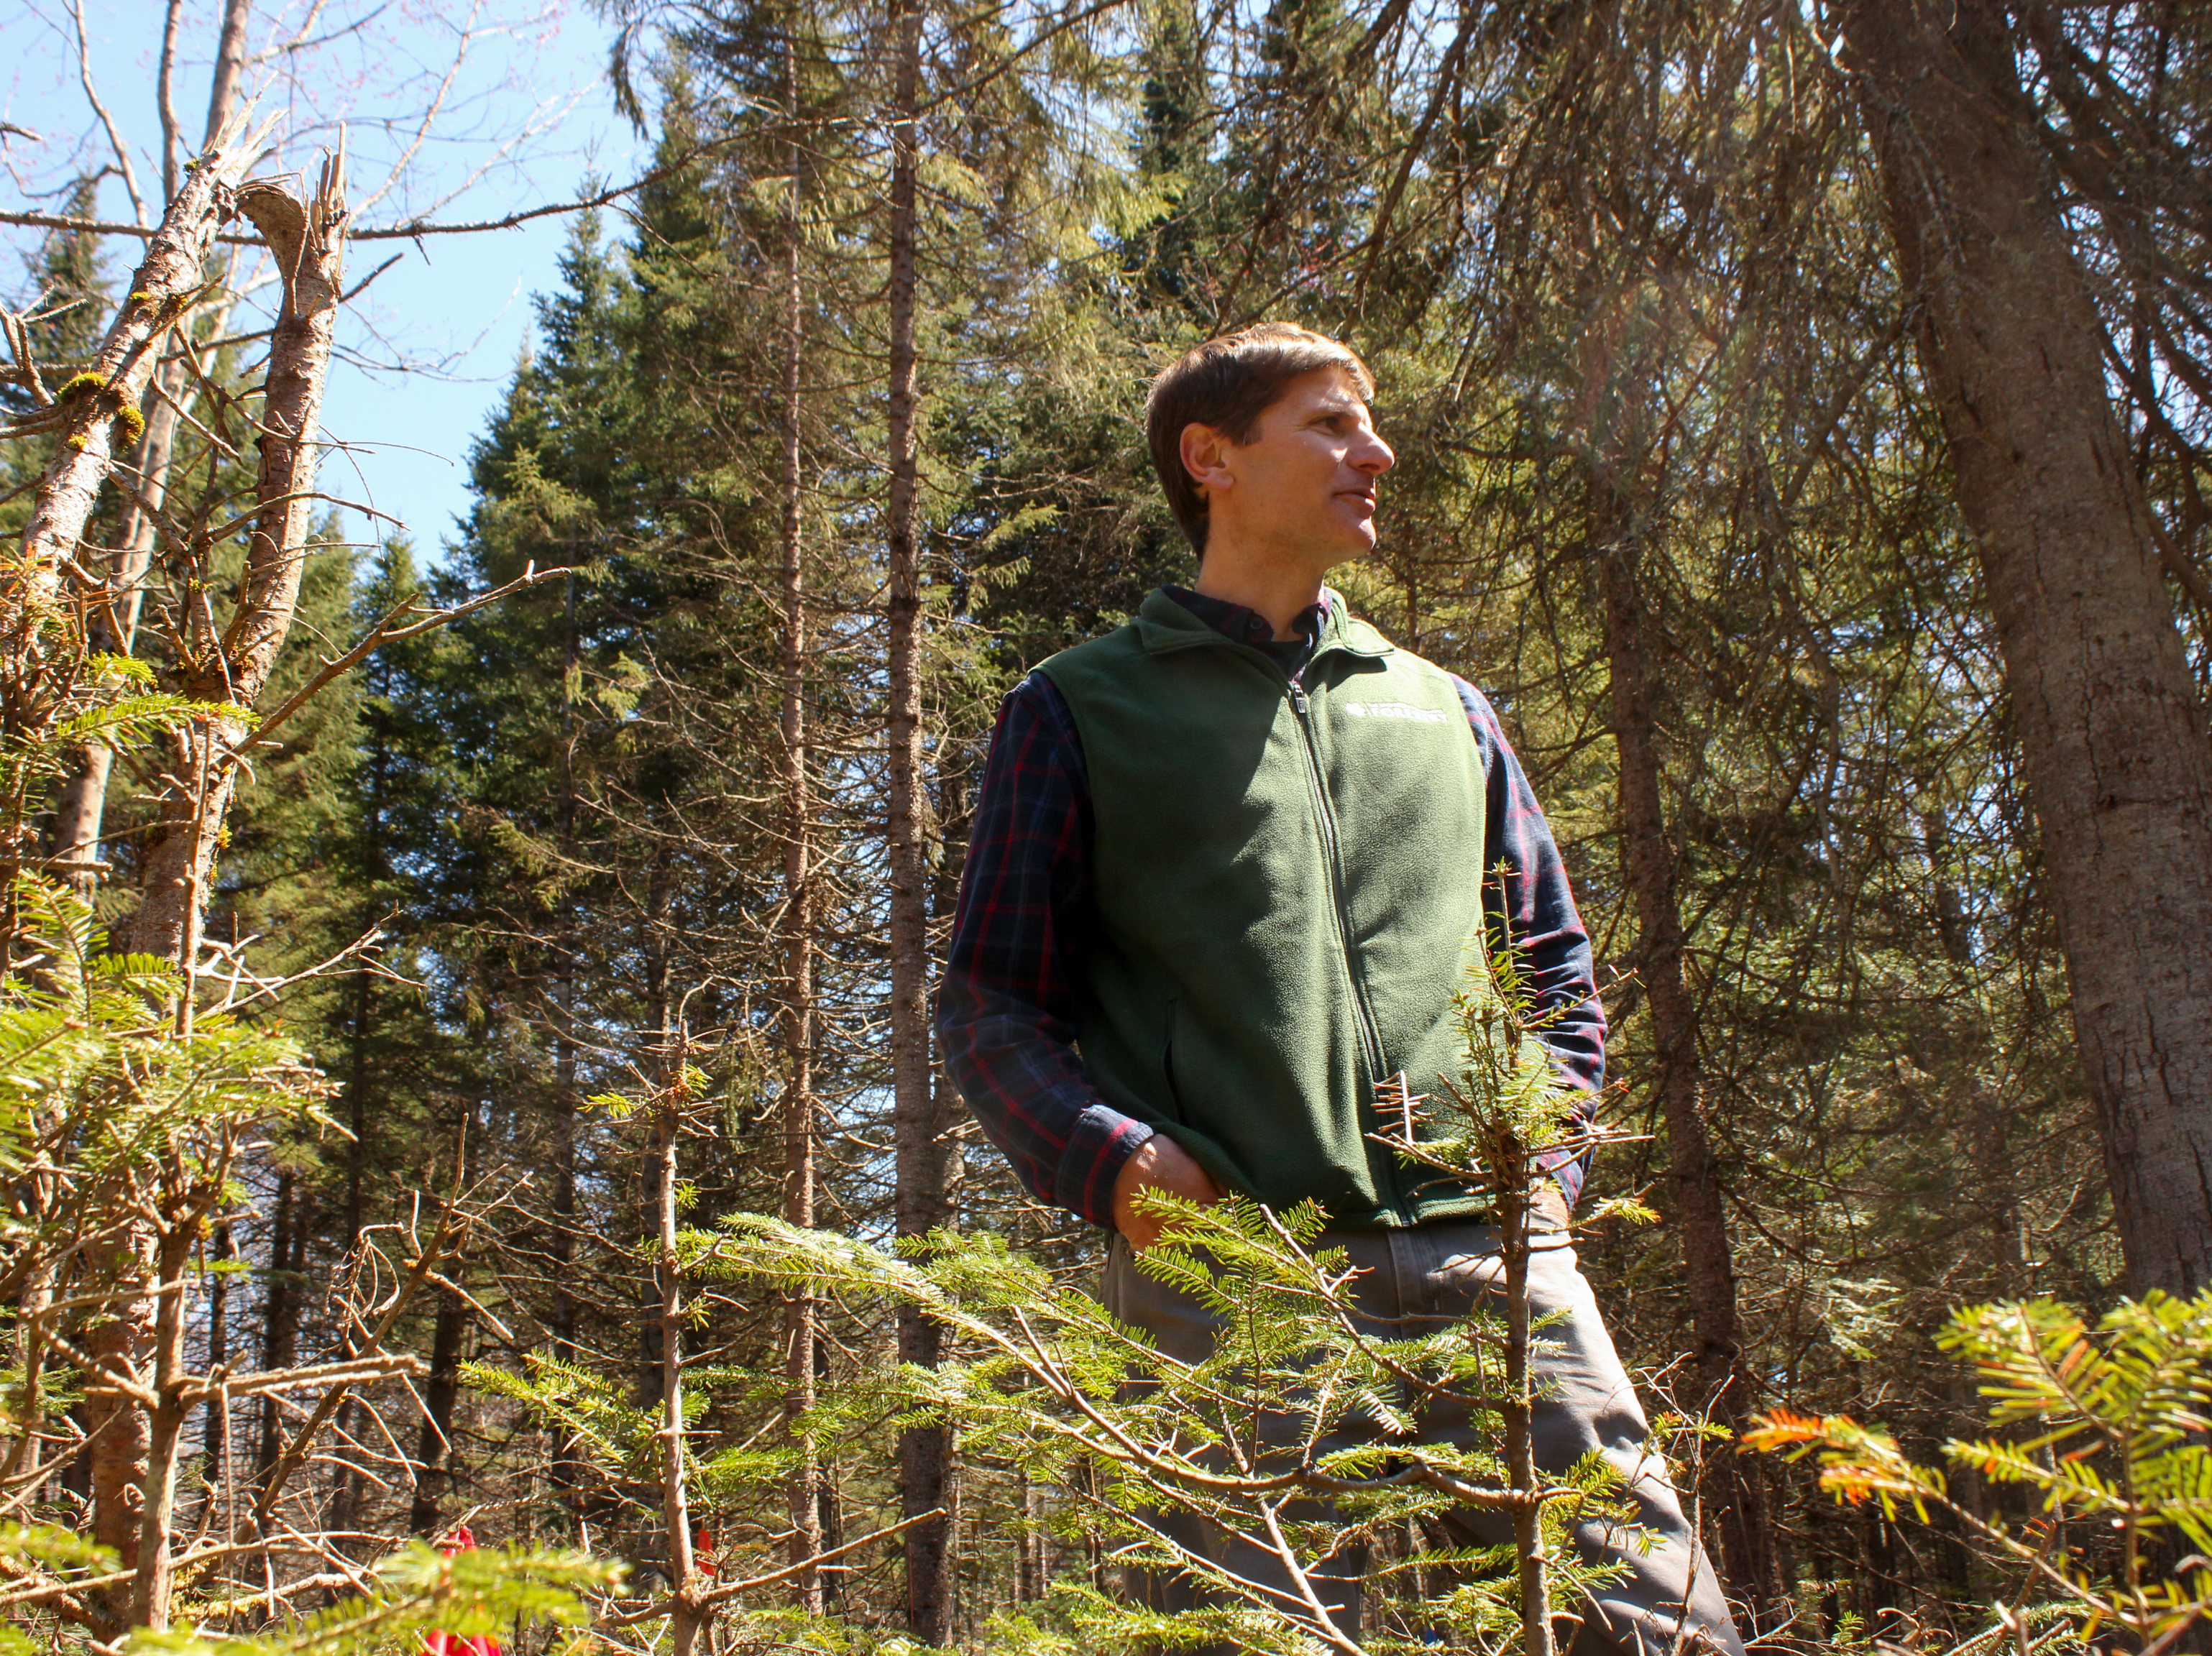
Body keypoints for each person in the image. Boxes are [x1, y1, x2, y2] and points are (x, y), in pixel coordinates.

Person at [935, 322, 1745, 1655]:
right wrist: (1114, 1163)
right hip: (1234, 1268)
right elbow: (989, 1003)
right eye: (1329, 424)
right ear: (1212, 459)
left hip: (1494, 1251)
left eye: (1365, 425)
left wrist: (1540, 1167)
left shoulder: (1444, 709)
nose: (1374, 453)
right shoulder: (1078, 707)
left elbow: (1546, 959)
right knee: (1254, 1640)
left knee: (1652, 1627)